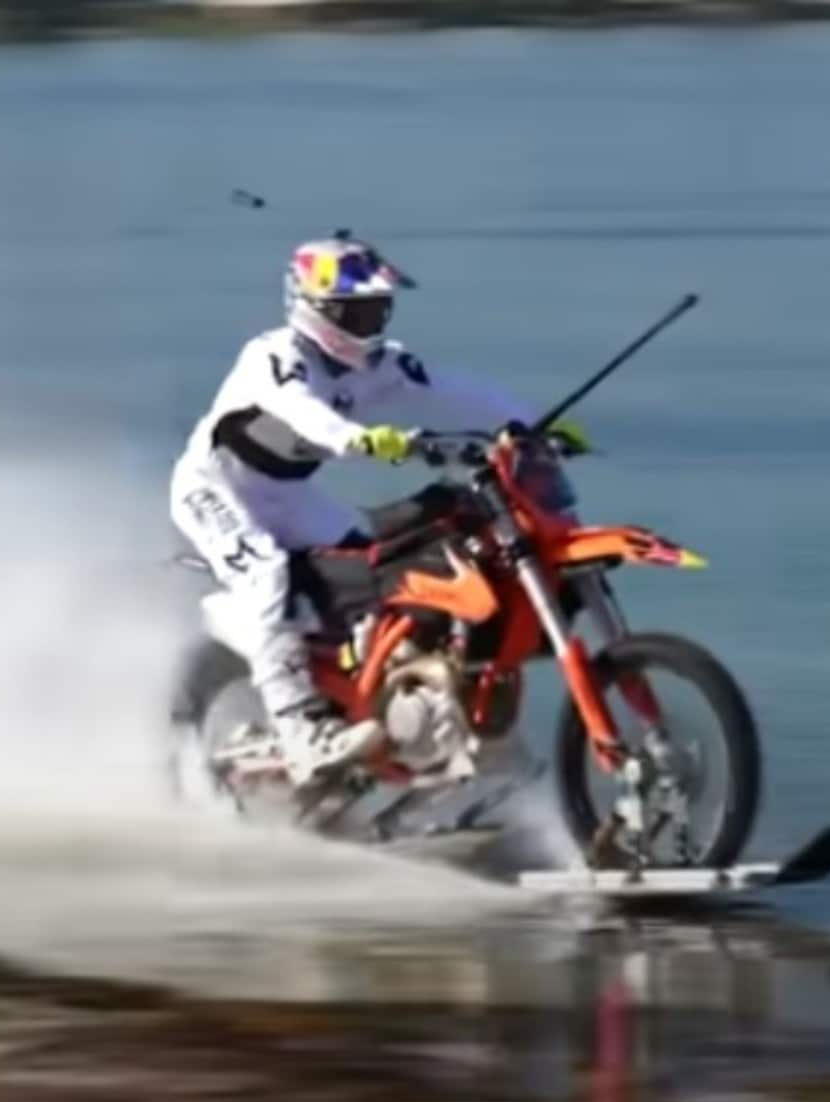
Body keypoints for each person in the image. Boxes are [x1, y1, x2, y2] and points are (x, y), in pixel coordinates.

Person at [169, 234, 584, 788]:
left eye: (377, 309)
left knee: (375, 568)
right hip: (217, 490)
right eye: (356, 311)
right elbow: (305, 413)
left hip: (288, 495)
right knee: (267, 576)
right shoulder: (276, 357)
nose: (370, 321)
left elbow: (458, 391)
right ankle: (299, 729)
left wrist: (531, 425)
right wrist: (363, 439)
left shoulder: (380, 364)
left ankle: (374, 703)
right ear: (315, 308)